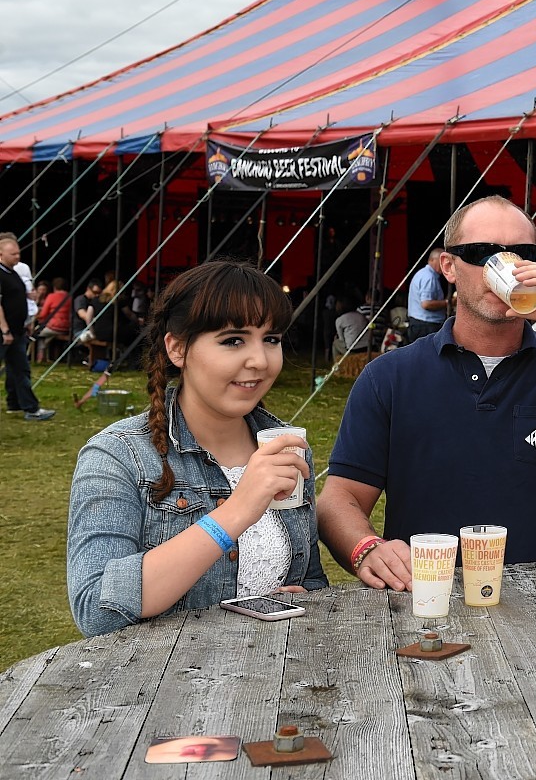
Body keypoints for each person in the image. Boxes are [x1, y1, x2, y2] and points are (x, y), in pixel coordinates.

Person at [318, 196, 536, 587]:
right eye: (482, 252)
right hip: (428, 602)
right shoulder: (390, 376)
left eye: (522, 253)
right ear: (448, 266)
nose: (505, 266)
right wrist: (367, 548)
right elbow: (339, 497)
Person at [66, 260, 325, 637]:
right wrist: (236, 511)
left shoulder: (284, 447)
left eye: (271, 339)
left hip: (272, 677)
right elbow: (97, 611)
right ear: (178, 349)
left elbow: (312, 579)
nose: (260, 360)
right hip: (158, 686)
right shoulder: (117, 456)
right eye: (233, 340)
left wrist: (301, 600)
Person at [0, 233, 54, 420]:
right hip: (4, 332)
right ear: (1, 254)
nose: (18, 257)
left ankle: (28, 408)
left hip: (16, 332)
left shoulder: (14, 273)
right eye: (13, 254)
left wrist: (27, 323)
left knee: (21, 369)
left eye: (18, 253)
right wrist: (4, 330)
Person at [406, 247, 447, 343]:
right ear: (432, 260)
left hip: (420, 324)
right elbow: (426, 304)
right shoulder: (429, 277)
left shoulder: (423, 274)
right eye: (441, 261)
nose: (444, 264)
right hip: (426, 326)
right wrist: (447, 302)